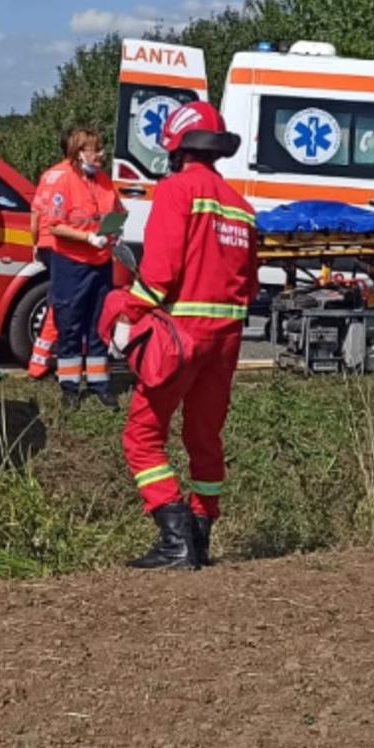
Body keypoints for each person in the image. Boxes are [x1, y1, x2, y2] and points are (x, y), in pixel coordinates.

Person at [115, 102, 257, 571]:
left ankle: (174, 538)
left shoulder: (178, 191)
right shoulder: (241, 208)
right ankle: (200, 536)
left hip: (181, 337)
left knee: (141, 436)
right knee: (204, 438)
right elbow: (250, 285)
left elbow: (158, 275)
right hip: (227, 340)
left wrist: (126, 313)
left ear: (177, 146)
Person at [32, 127, 124, 407]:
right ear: (79, 152)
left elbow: (116, 211)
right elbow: (55, 226)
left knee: (99, 325)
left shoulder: (104, 182)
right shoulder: (64, 182)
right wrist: (88, 237)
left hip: (101, 262)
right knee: (70, 324)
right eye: (95, 150)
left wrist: (113, 232)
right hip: (71, 264)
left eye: (100, 149)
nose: (101, 155)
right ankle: (70, 386)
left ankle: (99, 384)